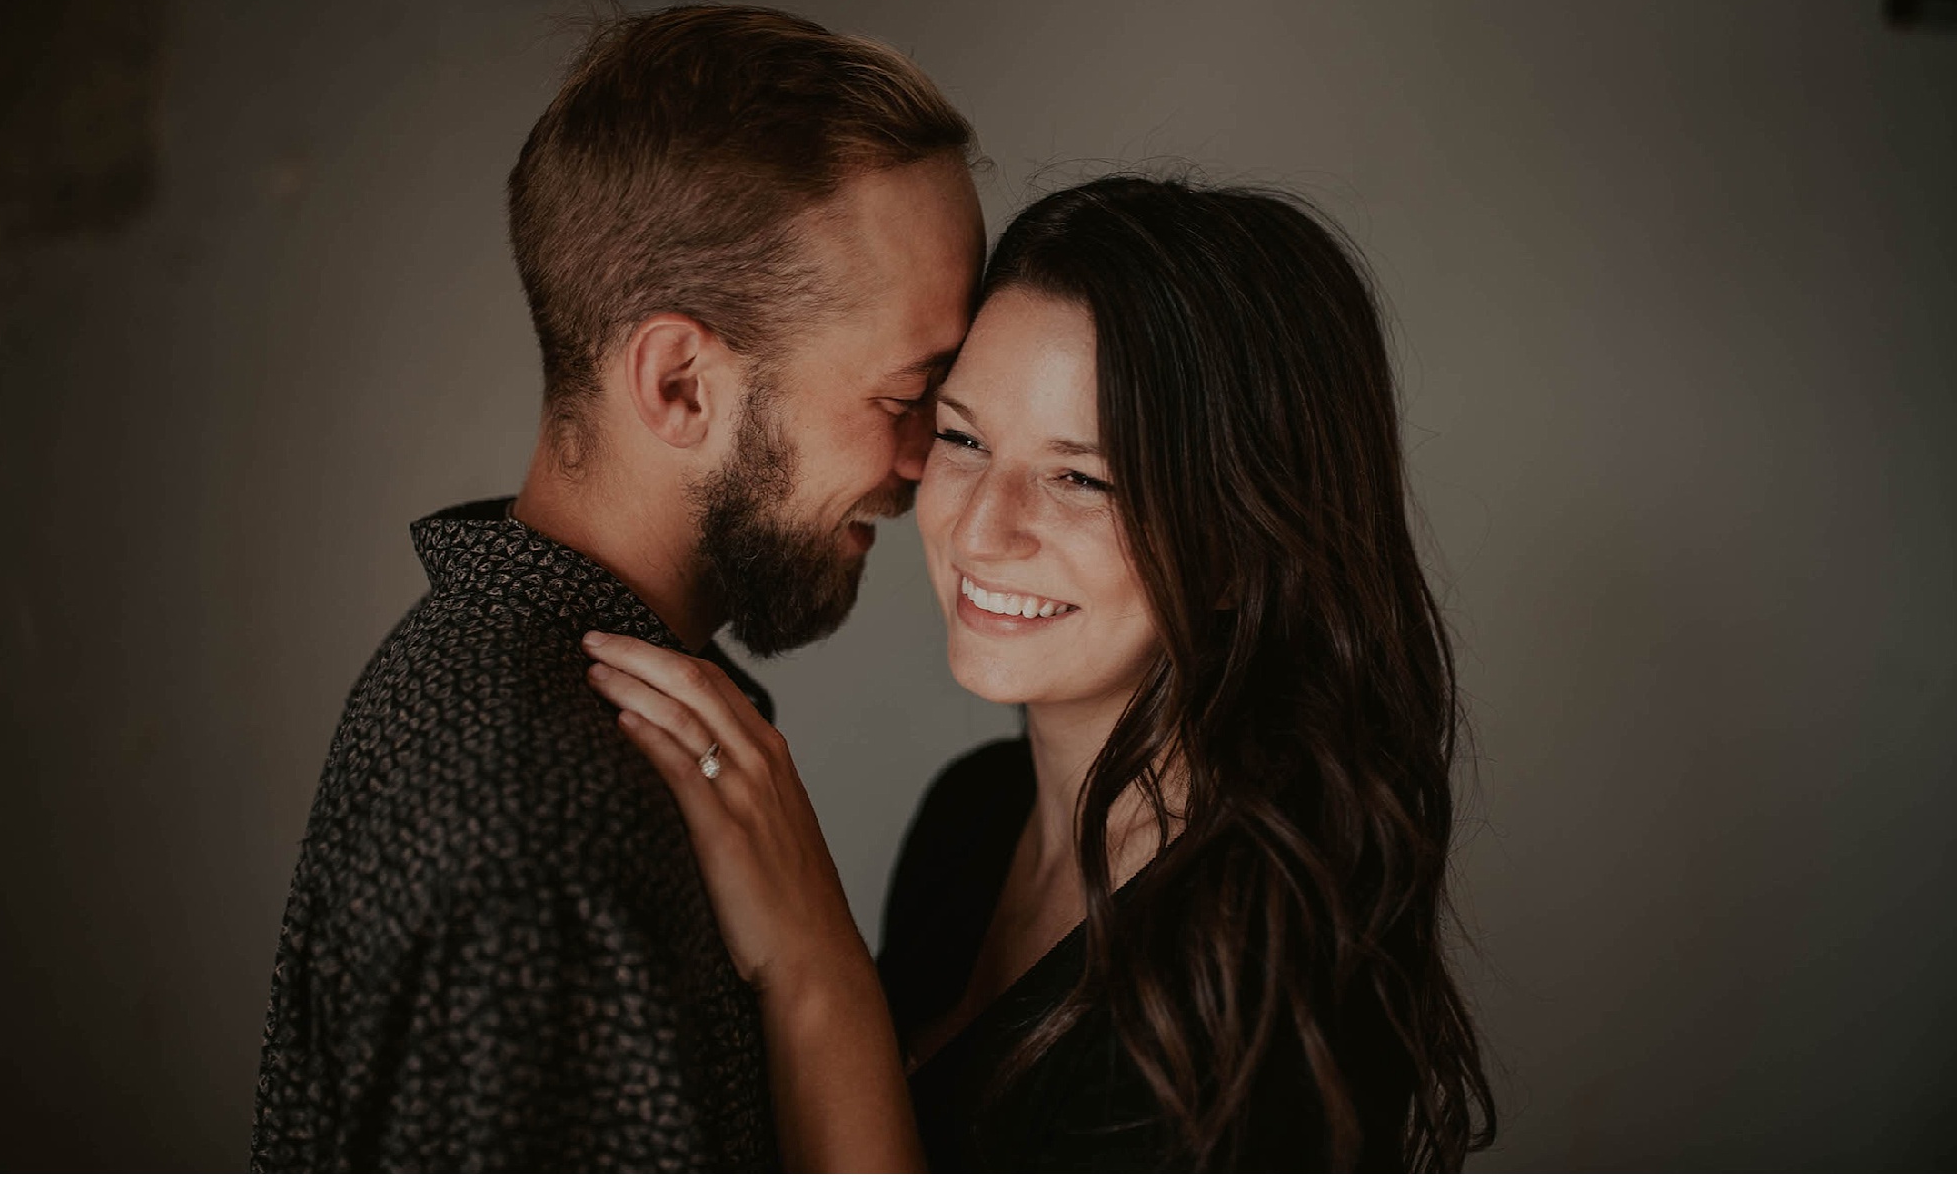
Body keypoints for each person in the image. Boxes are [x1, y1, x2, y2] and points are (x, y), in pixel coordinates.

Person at [583, 174, 1500, 1170]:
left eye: (1079, 477)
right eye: (964, 438)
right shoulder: (971, 818)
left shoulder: (1262, 989)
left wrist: (815, 972)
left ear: (1243, 547)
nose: (979, 528)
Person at [249, 4, 985, 1170]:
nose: (926, 466)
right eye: (905, 399)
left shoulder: (554, 705)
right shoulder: (541, 832)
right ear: (680, 384)